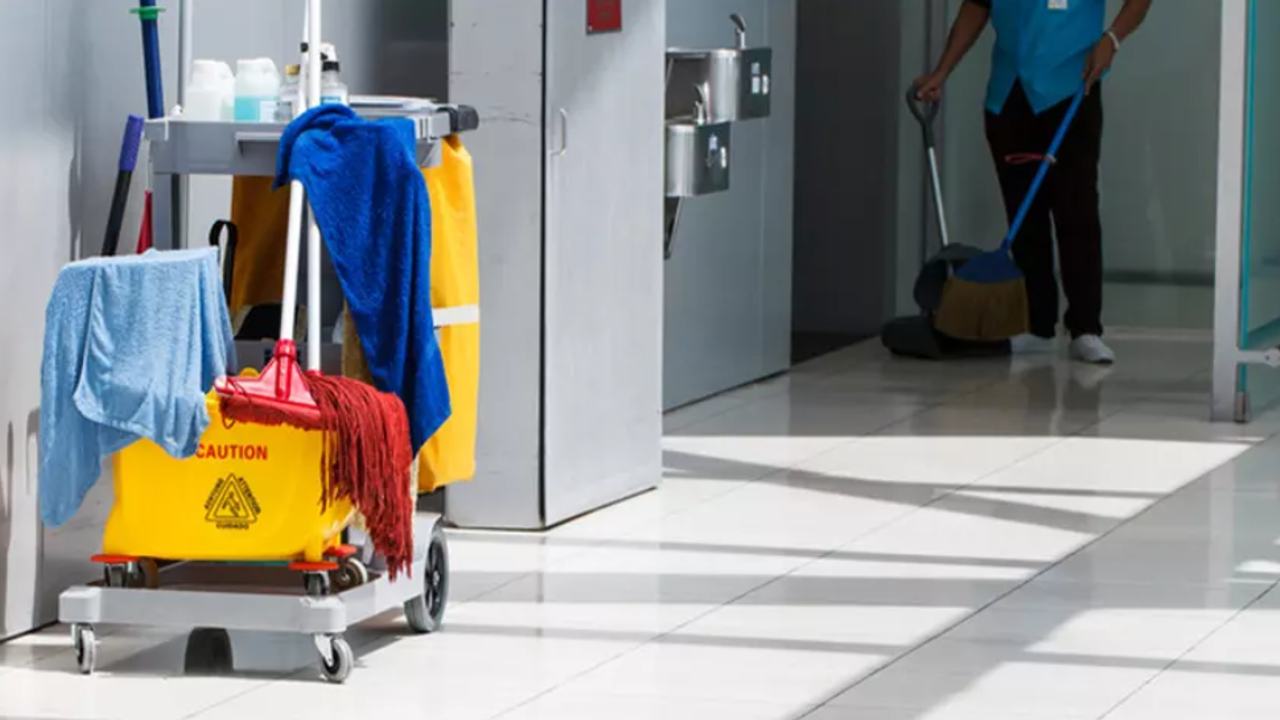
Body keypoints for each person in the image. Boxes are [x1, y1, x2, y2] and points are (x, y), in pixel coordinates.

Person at [916, 0, 1152, 364]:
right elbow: (977, 6)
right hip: (1009, 94)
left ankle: (1085, 328)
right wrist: (941, 72)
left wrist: (1112, 39)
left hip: (1072, 85)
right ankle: (1038, 324)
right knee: (1025, 215)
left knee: (1077, 212)